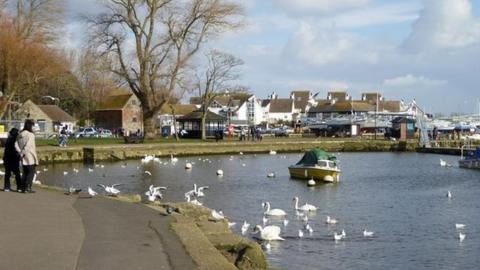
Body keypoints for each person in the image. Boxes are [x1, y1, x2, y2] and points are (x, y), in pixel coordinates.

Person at [15, 119, 39, 193]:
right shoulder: (30, 135)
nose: (33, 127)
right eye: (33, 126)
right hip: (30, 155)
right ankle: (28, 188)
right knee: (31, 172)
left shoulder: (20, 134)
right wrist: (23, 152)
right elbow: (28, 145)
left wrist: (20, 152)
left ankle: (23, 188)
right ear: (30, 126)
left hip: (23, 156)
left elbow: (15, 144)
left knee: (25, 172)